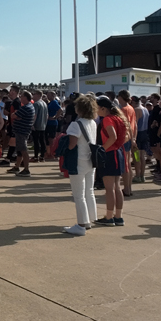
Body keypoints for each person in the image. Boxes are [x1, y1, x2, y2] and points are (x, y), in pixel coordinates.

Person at [61, 94, 99, 236]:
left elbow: (71, 145)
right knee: (89, 191)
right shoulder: (93, 123)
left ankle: (81, 225)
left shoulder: (76, 124)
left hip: (78, 161)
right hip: (90, 160)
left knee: (78, 195)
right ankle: (88, 220)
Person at [97, 96, 131, 226]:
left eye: (97, 108)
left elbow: (113, 136)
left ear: (103, 108)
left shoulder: (107, 119)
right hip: (118, 152)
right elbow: (126, 136)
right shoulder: (119, 118)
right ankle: (118, 216)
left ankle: (109, 216)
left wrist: (103, 149)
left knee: (110, 188)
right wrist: (117, 145)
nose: (96, 111)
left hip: (110, 154)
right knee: (117, 187)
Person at [115, 90, 138, 199]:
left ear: (121, 97)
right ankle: (129, 188)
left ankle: (127, 189)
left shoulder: (123, 109)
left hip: (124, 139)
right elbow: (135, 125)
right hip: (130, 138)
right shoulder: (131, 108)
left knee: (125, 165)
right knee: (128, 164)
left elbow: (126, 124)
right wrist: (134, 138)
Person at [8, 91, 36, 177]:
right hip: (21, 131)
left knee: (23, 150)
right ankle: (17, 166)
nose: (20, 98)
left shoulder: (26, 107)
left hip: (22, 131)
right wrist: (17, 116)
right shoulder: (29, 106)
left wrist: (17, 116)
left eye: (22, 96)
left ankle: (26, 169)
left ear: (25, 97)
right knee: (19, 149)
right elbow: (16, 116)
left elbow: (13, 115)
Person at [31, 90, 49, 162]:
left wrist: (32, 124)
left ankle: (36, 156)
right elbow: (47, 115)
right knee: (42, 141)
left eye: (34, 94)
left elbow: (34, 115)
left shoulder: (36, 104)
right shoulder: (44, 103)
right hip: (43, 125)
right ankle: (42, 156)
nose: (33, 96)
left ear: (38, 95)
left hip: (37, 125)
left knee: (36, 141)